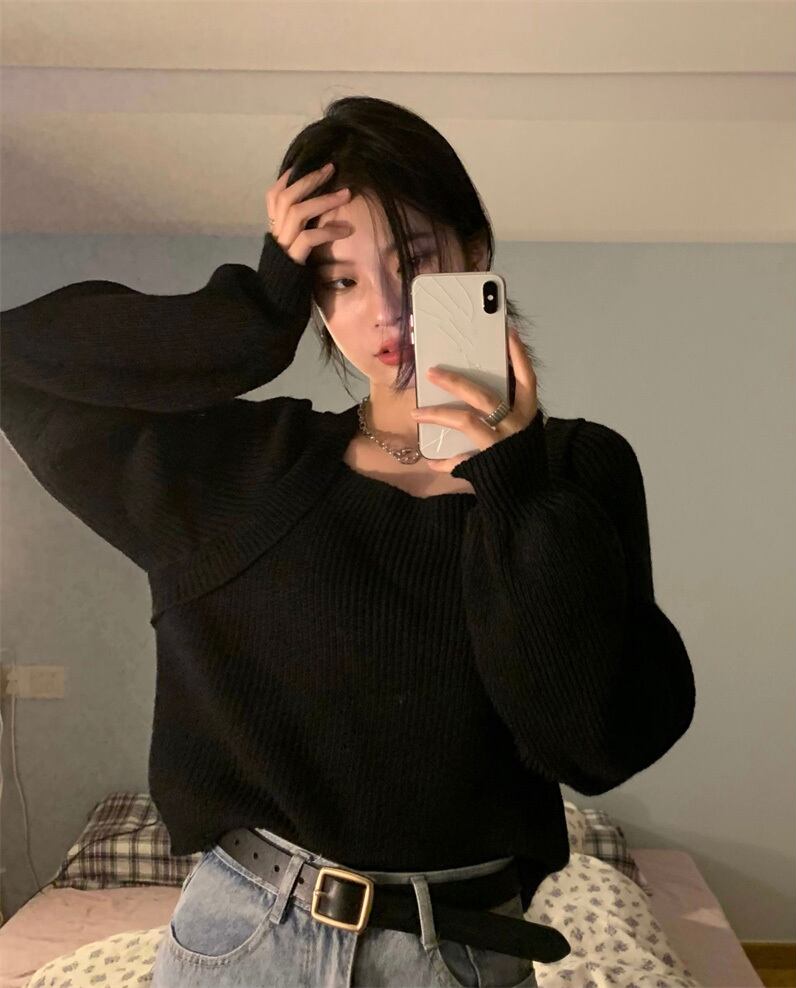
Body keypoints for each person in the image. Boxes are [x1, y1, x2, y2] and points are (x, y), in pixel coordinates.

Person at [0, 95, 695, 987]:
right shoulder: (246, 471)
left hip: (462, 953)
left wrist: (512, 483)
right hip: (243, 943)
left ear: (475, 252)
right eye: (337, 280)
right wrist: (250, 315)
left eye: (415, 260)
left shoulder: (575, 474)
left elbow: (596, 745)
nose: (386, 310)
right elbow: (19, 359)